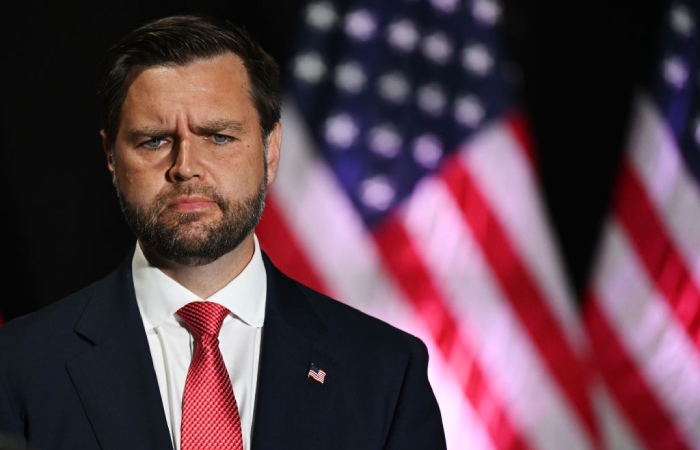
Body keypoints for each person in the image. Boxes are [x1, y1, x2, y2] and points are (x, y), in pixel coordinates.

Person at [0, 13, 447, 450]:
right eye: (154, 140)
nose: (186, 167)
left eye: (218, 136)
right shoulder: (18, 366)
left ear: (271, 150)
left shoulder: (386, 371)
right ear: (111, 157)